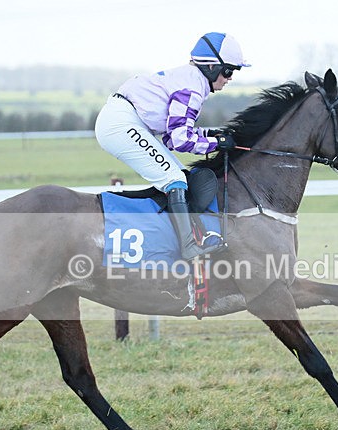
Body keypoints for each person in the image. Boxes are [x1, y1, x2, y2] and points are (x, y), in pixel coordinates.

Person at [95, 32, 250, 260]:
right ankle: (188, 246)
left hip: (127, 120)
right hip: (120, 123)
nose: (230, 78)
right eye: (228, 71)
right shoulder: (192, 88)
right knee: (174, 179)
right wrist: (216, 143)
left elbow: (172, 136)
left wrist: (210, 134)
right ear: (211, 67)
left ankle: (170, 235)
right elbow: (180, 140)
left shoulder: (192, 81)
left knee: (181, 178)